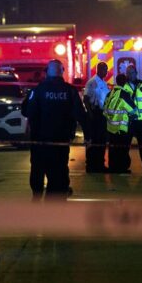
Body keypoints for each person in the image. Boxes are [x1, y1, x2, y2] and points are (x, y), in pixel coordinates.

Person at [21, 59, 87, 197]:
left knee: (38, 168)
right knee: (59, 168)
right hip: (60, 139)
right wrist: (89, 135)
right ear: (62, 71)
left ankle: (37, 194)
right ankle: (57, 195)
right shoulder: (70, 91)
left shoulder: (38, 90)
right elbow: (81, 114)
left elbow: (26, 111)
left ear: (47, 73)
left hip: (39, 140)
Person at [123, 65, 142, 172]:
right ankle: (124, 166)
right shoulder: (123, 85)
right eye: (128, 73)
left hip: (141, 122)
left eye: (132, 72)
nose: (130, 75)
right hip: (128, 121)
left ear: (136, 73)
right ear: (126, 74)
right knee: (125, 146)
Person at [103, 74, 136, 173]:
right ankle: (122, 168)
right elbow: (133, 110)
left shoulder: (110, 93)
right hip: (121, 127)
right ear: (125, 82)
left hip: (110, 127)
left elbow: (104, 109)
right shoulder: (124, 94)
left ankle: (112, 167)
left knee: (112, 148)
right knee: (122, 149)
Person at [83, 63, 110, 173]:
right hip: (95, 113)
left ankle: (99, 164)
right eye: (104, 69)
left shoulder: (103, 82)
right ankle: (91, 165)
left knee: (101, 141)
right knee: (94, 141)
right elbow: (86, 99)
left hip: (102, 114)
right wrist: (91, 114)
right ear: (99, 69)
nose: (106, 71)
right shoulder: (92, 82)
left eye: (107, 69)